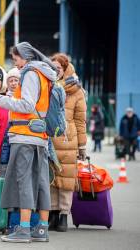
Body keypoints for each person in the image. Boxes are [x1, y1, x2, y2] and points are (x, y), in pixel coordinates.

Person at [0, 42, 57, 243]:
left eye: (15, 59)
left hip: (24, 134)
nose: (15, 63)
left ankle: (23, 229)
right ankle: (41, 229)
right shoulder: (45, 75)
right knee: (41, 182)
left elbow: (26, 104)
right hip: (40, 136)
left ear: (24, 56)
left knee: (23, 181)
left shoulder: (31, 73)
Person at [49, 53, 87, 232]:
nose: (55, 71)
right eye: (53, 67)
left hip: (67, 138)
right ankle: (53, 213)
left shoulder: (76, 90)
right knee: (51, 177)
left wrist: (82, 145)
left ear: (65, 69)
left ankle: (64, 215)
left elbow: (80, 120)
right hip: (49, 136)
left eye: (58, 68)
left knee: (66, 178)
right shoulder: (46, 86)